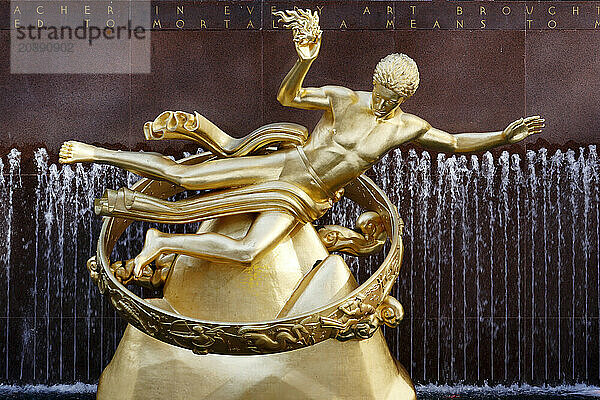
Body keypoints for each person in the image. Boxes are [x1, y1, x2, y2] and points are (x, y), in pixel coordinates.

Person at [59, 11, 544, 277]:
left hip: (306, 198)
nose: (379, 98)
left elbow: (456, 141)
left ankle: (161, 240)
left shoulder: (407, 127)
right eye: (377, 88)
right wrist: (304, 58)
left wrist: (503, 135)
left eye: (389, 95)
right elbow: (288, 96)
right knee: (184, 175)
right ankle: (94, 152)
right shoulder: (342, 98)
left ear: (404, 96)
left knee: (249, 252)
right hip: (285, 167)